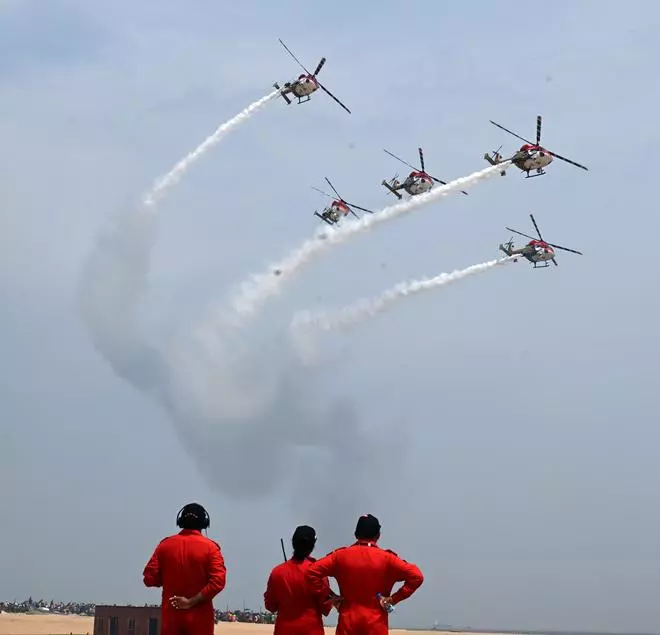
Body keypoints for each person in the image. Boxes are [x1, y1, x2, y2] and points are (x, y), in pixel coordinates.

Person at [306, 514, 424, 635]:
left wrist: (330, 597)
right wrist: (393, 599)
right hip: (376, 627)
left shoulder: (340, 556)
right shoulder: (388, 559)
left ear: (356, 534)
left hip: (347, 626)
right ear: (378, 535)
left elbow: (311, 572)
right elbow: (417, 577)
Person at [143, 502, 226, 635]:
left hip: (171, 620)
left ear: (180, 521)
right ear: (204, 523)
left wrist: (169, 577)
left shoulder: (165, 546)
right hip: (200, 621)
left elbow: (149, 579)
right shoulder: (211, 549)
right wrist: (191, 601)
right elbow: (218, 582)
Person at [264, 525, 337, 635]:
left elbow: (270, 606)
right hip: (312, 630)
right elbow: (325, 607)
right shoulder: (318, 572)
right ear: (312, 546)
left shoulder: (277, 572)